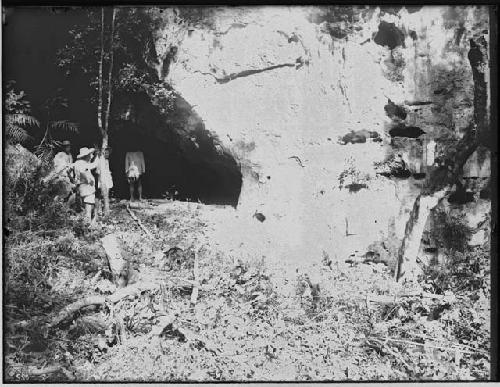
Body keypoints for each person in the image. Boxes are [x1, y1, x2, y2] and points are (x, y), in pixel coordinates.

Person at [74, 147, 98, 223]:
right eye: (90, 155)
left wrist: (97, 156)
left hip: (83, 188)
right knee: (88, 210)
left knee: (86, 208)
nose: (91, 156)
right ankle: (87, 226)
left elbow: (93, 165)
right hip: (87, 189)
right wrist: (88, 178)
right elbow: (82, 171)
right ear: (86, 156)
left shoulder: (79, 163)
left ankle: (86, 224)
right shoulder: (82, 164)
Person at [96, 147, 114, 216]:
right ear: (103, 153)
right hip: (102, 179)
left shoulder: (107, 160)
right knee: (101, 194)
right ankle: (100, 210)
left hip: (107, 178)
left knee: (107, 194)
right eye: (106, 153)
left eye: (108, 153)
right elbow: (97, 171)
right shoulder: (100, 160)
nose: (107, 154)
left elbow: (108, 169)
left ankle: (105, 210)